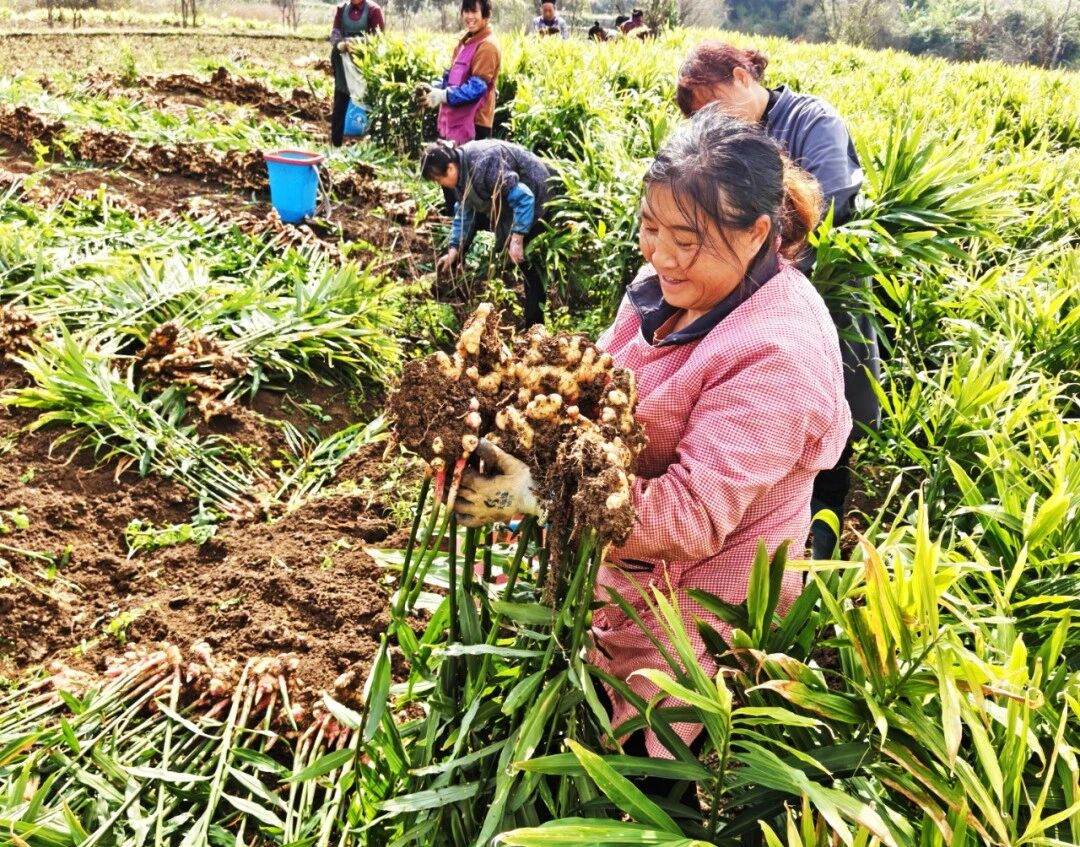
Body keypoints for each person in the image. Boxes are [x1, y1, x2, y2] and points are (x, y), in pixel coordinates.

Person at [453, 110, 850, 766]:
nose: (659, 253)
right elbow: (599, 380)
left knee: (642, 782)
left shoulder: (780, 350)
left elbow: (688, 516)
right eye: (650, 226)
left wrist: (522, 490)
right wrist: (509, 417)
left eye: (685, 238)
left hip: (691, 635)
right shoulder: (666, 286)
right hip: (617, 587)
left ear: (757, 233)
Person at [676, 41, 880, 560]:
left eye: (715, 105)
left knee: (828, 428)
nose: (715, 122)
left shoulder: (813, 120)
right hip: (745, 302)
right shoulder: (734, 137)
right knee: (754, 433)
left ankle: (820, 548)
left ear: (744, 76)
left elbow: (830, 204)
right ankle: (759, 545)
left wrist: (755, 259)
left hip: (822, 298)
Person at [421, 139, 558, 328]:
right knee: (509, 250)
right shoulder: (462, 175)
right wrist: (454, 248)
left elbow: (525, 198)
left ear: (450, 168)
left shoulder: (485, 162)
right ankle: (530, 319)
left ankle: (534, 325)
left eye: (438, 180)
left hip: (538, 198)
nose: (440, 184)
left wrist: (517, 239)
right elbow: (464, 211)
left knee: (528, 265)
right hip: (511, 206)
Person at [423, 0, 502, 215]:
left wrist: (444, 95)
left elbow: (477, 87)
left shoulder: (488, 46)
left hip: (475, 124)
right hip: (453, 122)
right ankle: (453, 222)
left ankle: (469, 231)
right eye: (466, 11)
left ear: (486, 14)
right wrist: (434, 89)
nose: (469, 16)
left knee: (470, 181)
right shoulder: (463, 42)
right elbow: (449, 77)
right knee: (448, 175)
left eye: (474, 11)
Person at [328, 0, 384, 148]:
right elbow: (335, 33)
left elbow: (378, 38)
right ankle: (335, 144)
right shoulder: (342, 9)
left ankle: (373, 144)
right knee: (340, 101)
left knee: (369, 102)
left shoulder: (373, 10)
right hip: (343, 64)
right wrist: (340, 44)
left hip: (364, 64)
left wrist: (356, 43)